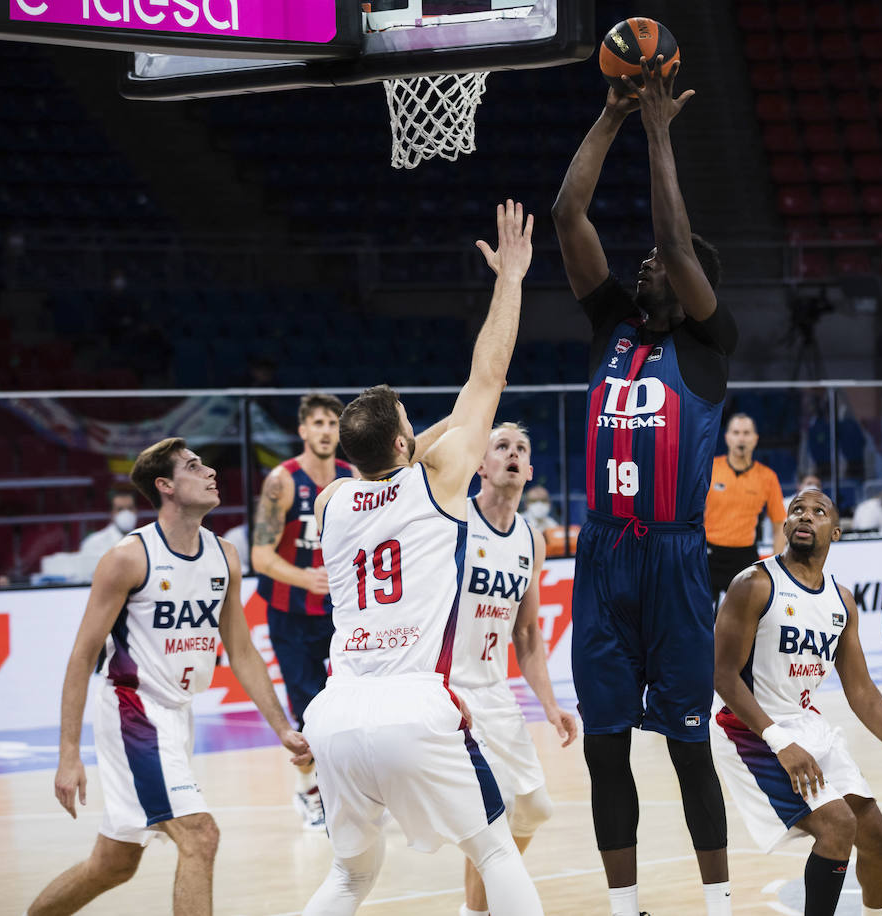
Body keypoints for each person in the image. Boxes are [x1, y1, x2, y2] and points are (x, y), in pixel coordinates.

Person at [300, 200, 543, 916]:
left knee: (348, 880)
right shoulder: (434, 485)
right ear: (407, 446)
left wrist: (406, 440)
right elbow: (486, 377)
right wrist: (512, 281)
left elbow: (413, 446)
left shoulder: (329, 504)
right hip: (415, 705)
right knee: (496, 848)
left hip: (337, 713)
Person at [552, 55, 735, 916]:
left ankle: (721, 903)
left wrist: (663, 133)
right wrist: (615, 116)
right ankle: (626, 911)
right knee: (605, 746)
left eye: (660, 265)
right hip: (602, 555)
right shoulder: (609, 330)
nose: (644, 266)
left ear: (692, 279)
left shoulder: (707, 341)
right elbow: (567, 214)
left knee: (689, 750)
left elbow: (670, 236)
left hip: (673, 557)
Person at [27, 437, 311, 916]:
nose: (209, 472)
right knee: (200, 835)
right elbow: (81, 658)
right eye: (194, 467)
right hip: (132, 712)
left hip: (178, 716)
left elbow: (240, 650)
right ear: (165, 486)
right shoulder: (128, 558)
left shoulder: (224, 555)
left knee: (113, 864)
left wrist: (281, 727)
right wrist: (69, 755)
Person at [713, 488, 882, 916]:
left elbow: (861, 691)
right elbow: (723, 676)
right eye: (797, 510)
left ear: (835, 532)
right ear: (784, 527)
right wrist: (781, 742)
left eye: (818, 512)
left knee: (876, 836)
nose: (805, 516)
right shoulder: (754, 584)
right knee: (837, 826)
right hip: (747, 728)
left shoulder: (842, 602)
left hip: (804, 722)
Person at [452, 422, 580, 916]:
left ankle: (479, 905)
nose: (511, 453)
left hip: (494, 689)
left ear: (529, 470)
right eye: (500, 446)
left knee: (534, 808)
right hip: (449, 689)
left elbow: (526, 633)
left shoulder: (532, 538)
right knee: (491, 812)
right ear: (480, 465)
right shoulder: (453, 521)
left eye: (520, 448)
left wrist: (551, 706)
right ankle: (478, 911)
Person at [250, 391, 355, 829]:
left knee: (352, 704)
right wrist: (304, 577)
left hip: (343, 612)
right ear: (302, 431)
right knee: (308, 711)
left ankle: (351, 791)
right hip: (291, 613)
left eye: (333, 423)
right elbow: (260, 554)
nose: (326, 431)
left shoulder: (353, 478)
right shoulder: (283, 480)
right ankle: (309, 791)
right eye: (318, 423)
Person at [706, 413, 786, 601]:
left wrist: (776, 566)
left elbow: (779, 524)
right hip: (709, 554)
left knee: (744, 623)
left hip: (744, 556)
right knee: (702, 620)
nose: (741, 438)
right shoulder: (710, 468)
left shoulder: (767, 477)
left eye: (746, 433)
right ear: (727, 437)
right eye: (736, 432)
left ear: (755, 439)